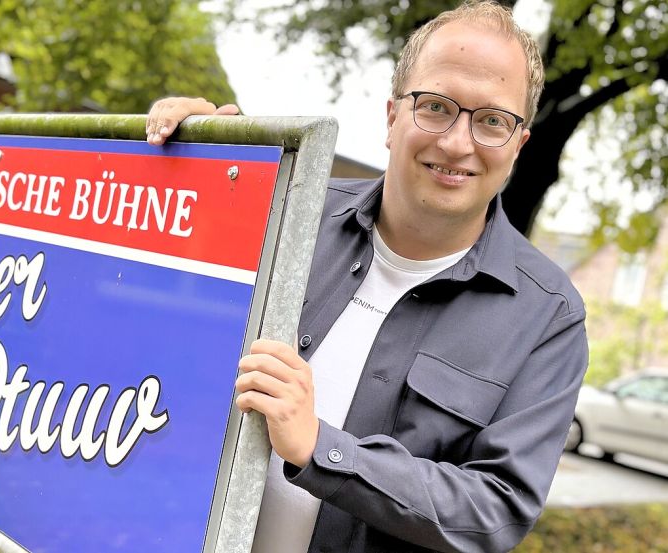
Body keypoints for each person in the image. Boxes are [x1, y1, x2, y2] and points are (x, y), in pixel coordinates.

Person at [146, 1, 588, 552]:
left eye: (493, 120)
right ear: (391, 117)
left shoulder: (549, 315)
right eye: (435, 107)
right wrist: (189, 167)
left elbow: (494, 510)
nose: (456, 143)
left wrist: (321, 448)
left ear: (518, 146)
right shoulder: (283, 212)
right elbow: (153, 322)